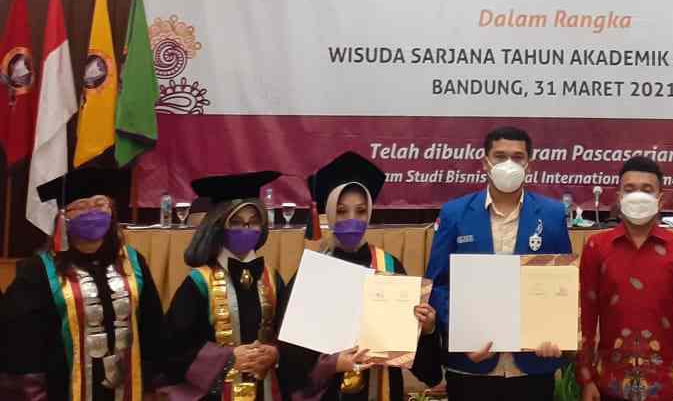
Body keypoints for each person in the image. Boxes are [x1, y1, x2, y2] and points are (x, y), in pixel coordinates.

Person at [277, 151, 441, 401]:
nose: (352, 220)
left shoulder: (389, 266)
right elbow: (292, 359)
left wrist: (426, 329)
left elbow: (421, 364)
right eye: (342, 211)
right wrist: (332, 364)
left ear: (370, 214)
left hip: (380, 389)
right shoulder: (313, 272)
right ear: (329, 213)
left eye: (361, 211)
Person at [425, 125, 572, 401]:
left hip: (532, 365)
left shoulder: (552, 214)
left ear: (529, 164)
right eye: (500, 156)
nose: (509, 164)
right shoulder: (455, 213)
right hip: (471, 363)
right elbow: (438, 285)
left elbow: (562, 284)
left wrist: (555, 334)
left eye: (517, 157)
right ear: (485, 163)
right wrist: (462, 331)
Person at [0, 167, 164, 401]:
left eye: (100, 204)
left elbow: (151, 326)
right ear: (63, 218)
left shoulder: (133, 262)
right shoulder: (38, 271)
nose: (92, 211)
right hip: (61, 389)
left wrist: (151, 384)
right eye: (81, 206)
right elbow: (21, 342)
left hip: (128, 388)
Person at [578, 155, 673, 401]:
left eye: (647, 189)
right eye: (630, 189)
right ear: (619, 197)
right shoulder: (596, 247)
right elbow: (587, 315)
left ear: (660, 198)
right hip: (609, 383)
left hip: (670, 385)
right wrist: (586, 379)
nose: (638, 196)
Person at [162, 170, 285, 401]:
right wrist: (226, 359)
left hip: (266, 390)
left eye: (253, 222)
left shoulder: (272, 279)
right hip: (215, 393)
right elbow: (174, 348)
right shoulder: (199, 282)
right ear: (218, 226)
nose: (246, 229)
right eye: (236, 222)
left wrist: (276, 353)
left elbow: (291, 337)